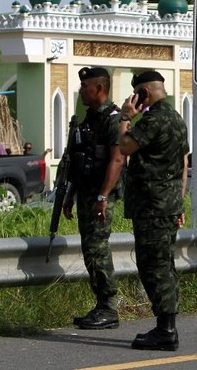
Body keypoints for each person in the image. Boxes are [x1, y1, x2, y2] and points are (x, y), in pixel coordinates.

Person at [118, 70, 189, 351]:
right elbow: (183, 164)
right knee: (164, 265)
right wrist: (178, 202)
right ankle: (166, 326)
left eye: (137, 95)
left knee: (154, 266)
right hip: (167, 205)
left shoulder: (153, 119)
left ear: (143, 94)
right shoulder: (175, 118)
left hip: (151, 207)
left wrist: (125, 116)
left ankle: (165, 330)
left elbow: (124, 146)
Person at [62, 66, 126, 330]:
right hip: (86, 192)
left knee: (97, 247)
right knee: (90, 248)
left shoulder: (113, 119)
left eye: (85, 86)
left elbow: (117, 158)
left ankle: (109, 306)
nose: (81, 91)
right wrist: (69, 195)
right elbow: (78, 161)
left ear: (99, 88)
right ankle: (101, 304)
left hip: (101, 195)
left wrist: (103, 195)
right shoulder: (87, 119)